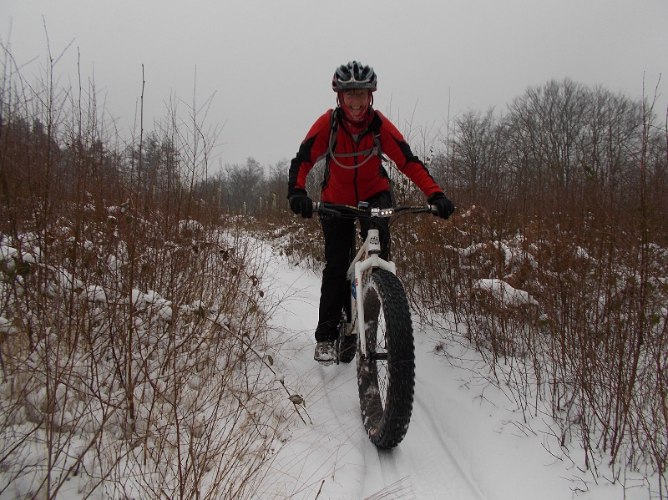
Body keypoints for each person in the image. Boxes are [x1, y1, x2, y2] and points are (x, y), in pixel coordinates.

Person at [287, 61, 454, 364]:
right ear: (340, 96)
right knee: (337, 266)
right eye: (350, 94)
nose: (356, 101)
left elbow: (408, 161)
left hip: (374, 195)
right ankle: (326, 335)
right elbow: (303, 158)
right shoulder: (330, 124)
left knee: (379, 260)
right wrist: (297, 192)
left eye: (362, 94)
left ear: (370, 96)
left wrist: (435, 193)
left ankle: (383, 315)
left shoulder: (378, 125)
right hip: (335, 201)